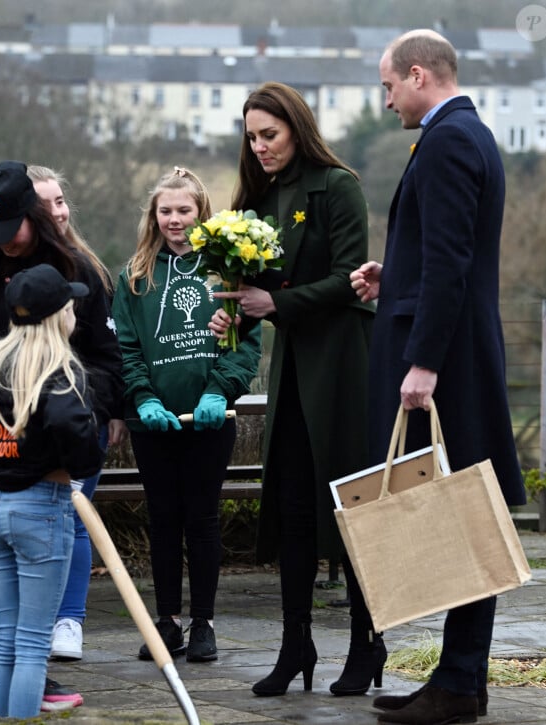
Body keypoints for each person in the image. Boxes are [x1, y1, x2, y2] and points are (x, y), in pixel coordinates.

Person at [350, 30, 527, 725]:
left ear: (418, 75)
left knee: (458, 513)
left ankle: (457, 683)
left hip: (445, 362)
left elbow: (454, 260)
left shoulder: (450, 139)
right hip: (456, 347)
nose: (385, 98)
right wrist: (392, 276)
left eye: (388, 85)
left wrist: (421, 361)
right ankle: (461, 681)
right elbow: (448, 255)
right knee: (462, 509)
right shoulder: (468, 132)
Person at [209, 81, 379, 697]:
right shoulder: (259, 197)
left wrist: (271, 301)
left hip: (341, 368)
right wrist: (239, 313)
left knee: (352, 508)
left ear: (296, 128)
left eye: (269, 135)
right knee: (292, 504)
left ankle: (369, 642)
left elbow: (348, 281)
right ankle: (295, 646)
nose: (258, 147)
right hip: (291, 373)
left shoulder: (337, 186)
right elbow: (257, 287)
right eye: (251, 137)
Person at [0, 159, 125, 707]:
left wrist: (82, 428)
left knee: (23, 628)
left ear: (34, 217)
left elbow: (107, 363)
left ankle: (23, 688)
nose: (2, 244)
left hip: (46, 459)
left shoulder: (76, 268)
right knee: (18, 624)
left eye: (10, 230)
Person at [112, 167, 261, 663]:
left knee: (201, 519)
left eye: (184, 210)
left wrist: (221, 390)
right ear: (153, 217)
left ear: (201, 213)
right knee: (163, 518)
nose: (175, 220)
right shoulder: (134, 275)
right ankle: (168, 621)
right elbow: (126, 348)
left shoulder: (228, 270)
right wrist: (142, 398)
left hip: (209, 421)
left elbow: (247, 345)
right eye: (166, 211)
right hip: (154, 423)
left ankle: (204, 623)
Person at [0, 264, 103, 719]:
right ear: (60, 316)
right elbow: (76, 433)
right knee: (32, 644)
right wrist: (84, 460)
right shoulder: (60, 372)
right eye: (71, 306)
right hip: (40, 510)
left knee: (4, 637)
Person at [26, 164, 126, 662]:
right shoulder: (0, 267)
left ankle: (69, 621)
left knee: (72, 518)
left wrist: (102, 411)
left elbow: (108, 355)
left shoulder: (87, 270)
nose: (58, 212)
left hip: (75, 417)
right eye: (46, 205)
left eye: (61, 200)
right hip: (18, 425)